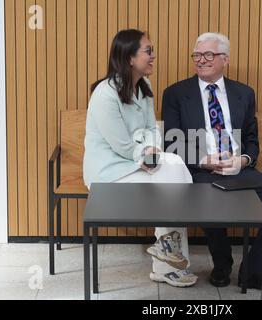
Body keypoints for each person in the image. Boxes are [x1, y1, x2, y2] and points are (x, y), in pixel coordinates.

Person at [162, 33, 262, 294]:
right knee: (209, 194)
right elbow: (172, 143)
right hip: (201, 171)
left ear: (225, 59)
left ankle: (255, 272)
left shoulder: (244, 93)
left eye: (208, 55)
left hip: (239, 170)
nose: (201, 60)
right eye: (197, 55)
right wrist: (204, 160)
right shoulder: (176, 93)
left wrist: (243, 160)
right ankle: (222, 265)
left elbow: (251, 139)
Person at [83, 29, 197, 287]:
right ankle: (167, 259)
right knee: (174, 170)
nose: (153, 56)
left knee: (172, 171)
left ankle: (167, 255)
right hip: (108, 173)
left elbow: (151, 128)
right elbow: (121, 144)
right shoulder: (105, 94)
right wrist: (144, 152)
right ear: (129, 58)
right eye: (148, 51)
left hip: (135, 163)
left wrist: (151, 150)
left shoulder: (144, 87)